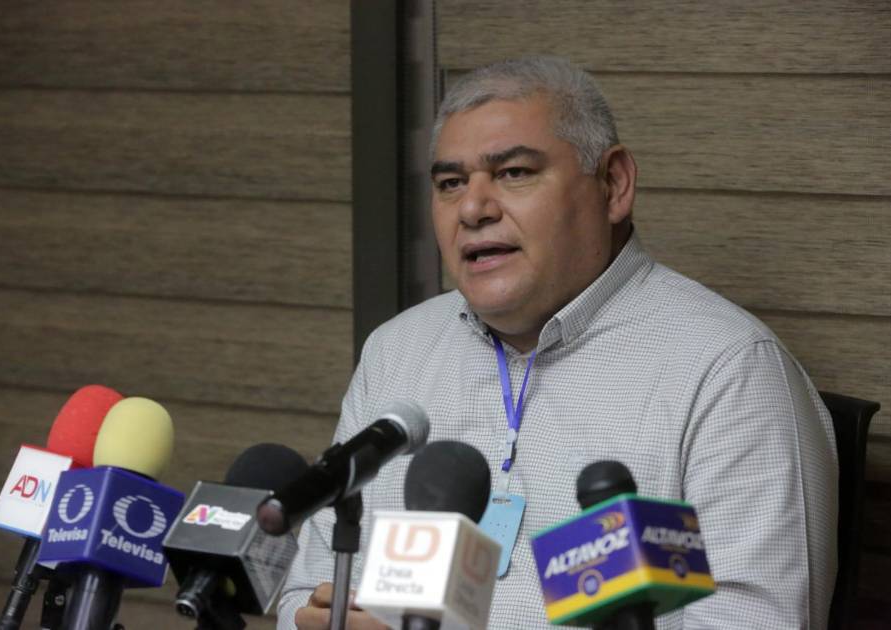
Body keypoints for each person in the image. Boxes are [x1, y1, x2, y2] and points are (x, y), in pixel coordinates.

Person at [277, 57, 838, 629]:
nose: (472, 209)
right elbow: (307, 585)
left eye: (513, 173)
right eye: (450, 184)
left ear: (613, 185)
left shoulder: (727, 370)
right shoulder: (397, 352)